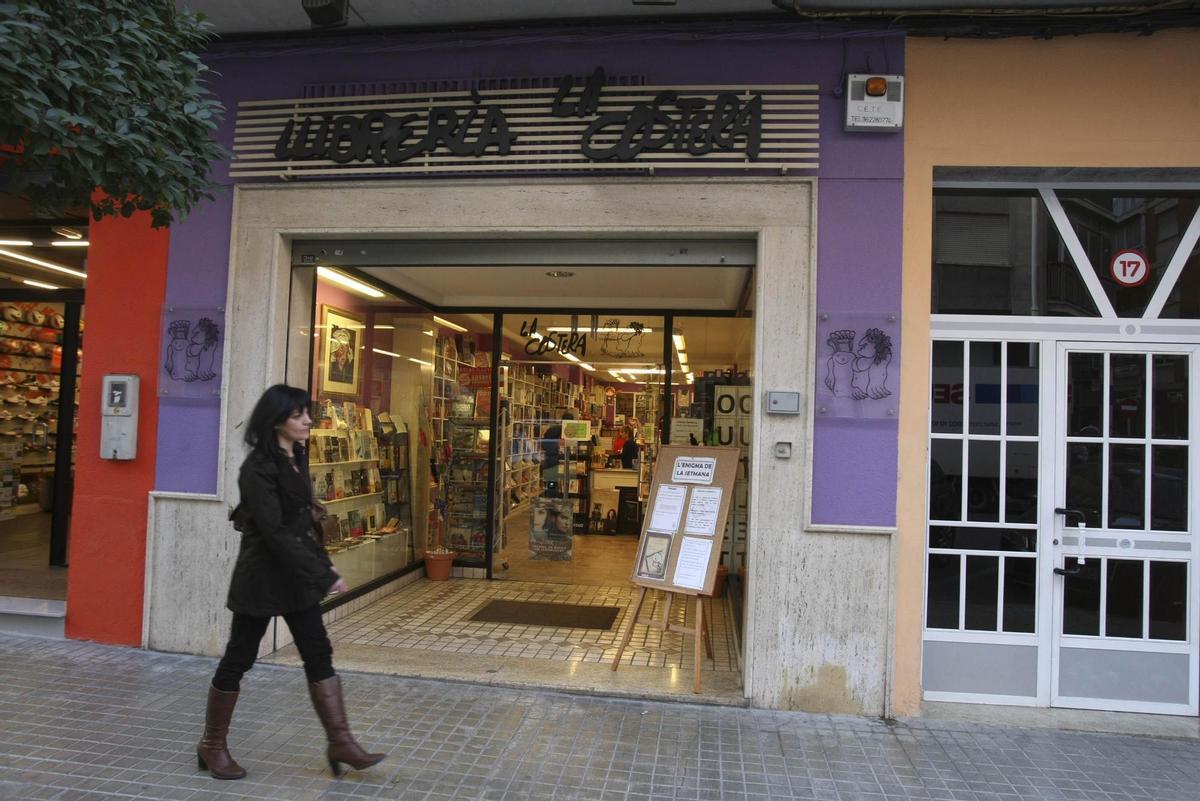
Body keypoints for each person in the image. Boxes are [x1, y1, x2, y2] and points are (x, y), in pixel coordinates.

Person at [197, 384, 385, 780]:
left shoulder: (297, 456)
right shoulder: (257, 468)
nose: (307, 421)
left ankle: (341, 740)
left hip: (296, 579)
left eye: (306, 414)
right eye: (299, 414)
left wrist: (319, 565)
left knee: (318, 652)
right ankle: (212, 745)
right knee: (239, 658)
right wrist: (323, 574)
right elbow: (276, 532)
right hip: (261, 578)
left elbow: (301, 524)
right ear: (277, 420)